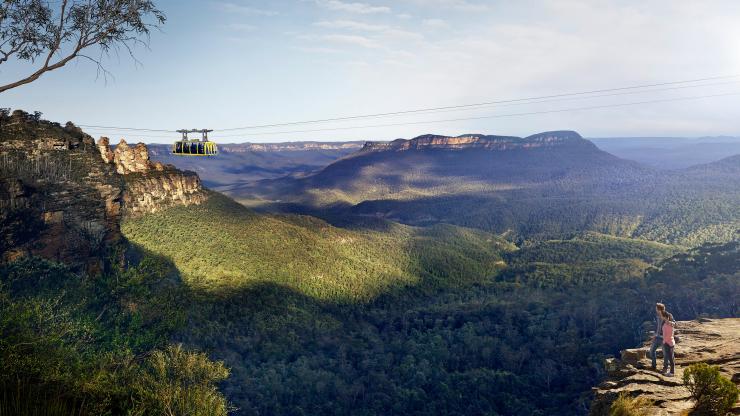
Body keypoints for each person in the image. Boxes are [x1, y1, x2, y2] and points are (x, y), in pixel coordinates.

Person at [650, 303, 666, 370]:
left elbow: (659, 327)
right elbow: (658, 327)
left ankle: (662, 367)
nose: (655, 309)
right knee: (652, 351)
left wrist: (655, 335)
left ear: (659, 309)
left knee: (664, 353)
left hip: (662, 337)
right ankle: (655, 365)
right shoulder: (660, 316)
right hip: (660, 337)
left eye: (656, 308)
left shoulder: (663, 316)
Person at [661, 311, 676, 377]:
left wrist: (664, 341)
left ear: (665, 317)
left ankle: (672, 373)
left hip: (667, 342)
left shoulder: (668, 324)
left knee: (670, 358)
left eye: (662, 316)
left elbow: (668, 334)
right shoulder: (669, 323)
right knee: (671, 357)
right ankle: (671, 371)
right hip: (671, 342)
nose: (661, 317)